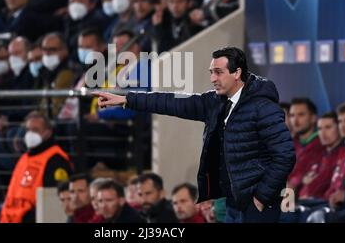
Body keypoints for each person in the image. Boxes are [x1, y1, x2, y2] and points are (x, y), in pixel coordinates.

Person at [94, 47, 296, 223]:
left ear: (237, 73)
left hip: (258, 205)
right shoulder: (214, 102)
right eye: (211, 72)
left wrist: (262, 196)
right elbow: (170, 102)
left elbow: (285, 155)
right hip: (232, 203)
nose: (213, 79)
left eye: (218, 72)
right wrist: (126, 99)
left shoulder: (263, 107)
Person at [0, 111, 73, 223]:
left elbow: (54, 204)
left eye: (35, 130)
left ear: (48, 133)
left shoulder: (56, 160)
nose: (30, 134)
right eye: (28, 130)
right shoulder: (24, 158)